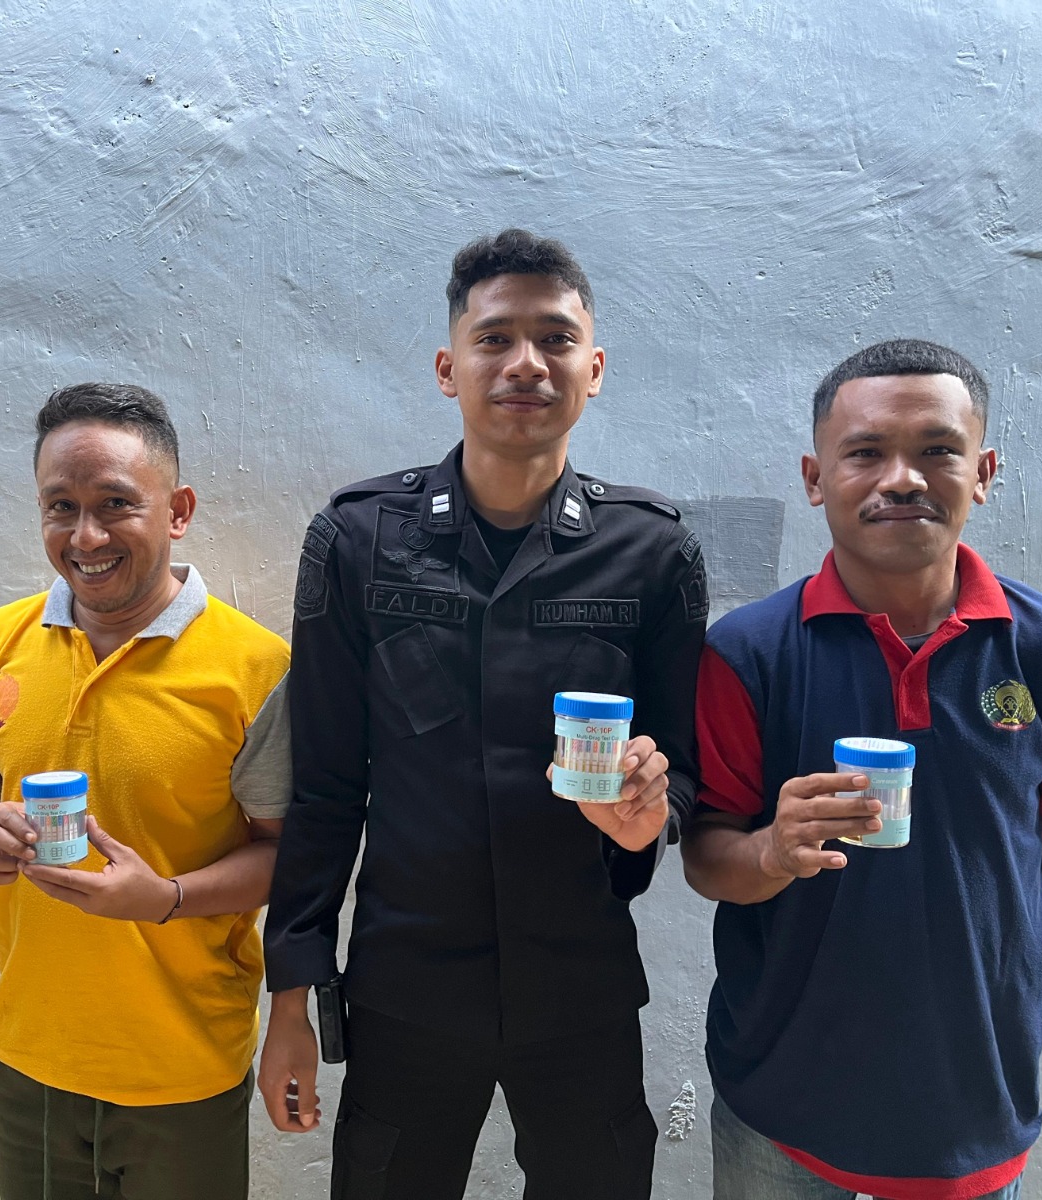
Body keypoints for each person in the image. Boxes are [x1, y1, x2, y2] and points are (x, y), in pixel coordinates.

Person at [261, 229, 707, 1199]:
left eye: (555, 339)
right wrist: (292, 990)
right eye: (495, 337)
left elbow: (682, 771)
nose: (525, 363)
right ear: (447, 368)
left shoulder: (653, 553)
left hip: (581, 985)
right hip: (406, 988)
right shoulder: (357, 540)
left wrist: (650, 816)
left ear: (593, 369)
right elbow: (325, 787)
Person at [682, 340, 1042, 1200]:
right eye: (865, 452)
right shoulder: (747, 654)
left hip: (971, 1103)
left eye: (937, 450)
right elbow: (707, 860)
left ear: (983, 473)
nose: (902, 478)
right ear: (816, 478)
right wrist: (772, 851)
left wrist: (962, 873)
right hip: (779, 1100)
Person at [0, 383, 290, 1200]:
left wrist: (165, 899)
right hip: (29, 1056)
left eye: (116, 504)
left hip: (183, 1065)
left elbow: (287, 853)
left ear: (178, 510)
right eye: (61, 507)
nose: (85, 536)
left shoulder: (255, 669)